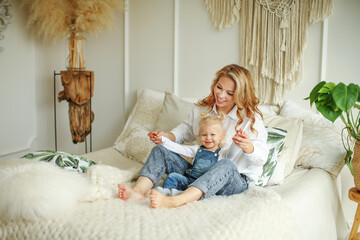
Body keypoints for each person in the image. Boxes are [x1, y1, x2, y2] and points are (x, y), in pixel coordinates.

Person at [118, 64, 269, 208]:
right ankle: (137, 192)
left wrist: (249, 148)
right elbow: (184, 131)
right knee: (160, 151)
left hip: (233, 180)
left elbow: (261, 158)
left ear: (240, 95)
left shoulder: (251, 119)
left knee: (226, 164)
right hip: (200, 170)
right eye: (219, 87)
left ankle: (175, 201)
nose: (221, 95)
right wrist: (167, 136)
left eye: (229, 93)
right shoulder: (202, 108)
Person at [155, 113, 238, 196]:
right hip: (190, 181)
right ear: (199, 135)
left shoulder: (222, 152)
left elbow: (231, 153)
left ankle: (183, 194)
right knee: (172, 176)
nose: (208, 138)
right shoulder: (197, 149)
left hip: (204, 186)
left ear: (221, 136)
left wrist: (236, 142)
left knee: (211, 192)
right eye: (204, 135)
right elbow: (179, 148)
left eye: (212, 134)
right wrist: (163, 140)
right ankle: (165, 193)